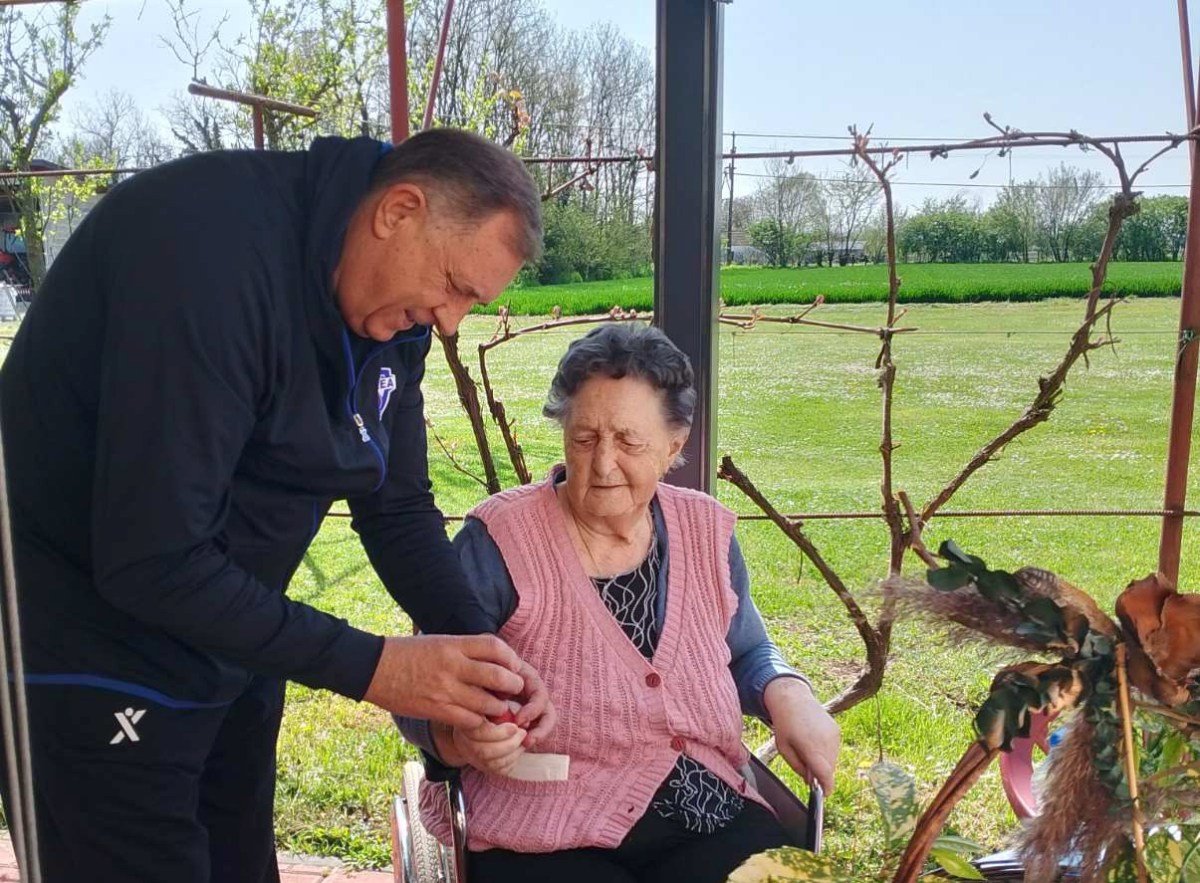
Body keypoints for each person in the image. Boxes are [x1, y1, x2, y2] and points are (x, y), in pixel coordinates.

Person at [0, 128, 555, 883]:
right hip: (86, 649)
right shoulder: (204, 256)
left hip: (230, 635)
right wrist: (378, 668)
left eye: (471, 302)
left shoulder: (391, 311)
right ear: (398, 210)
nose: (450, 320)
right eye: (454, 285)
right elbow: (153, 559)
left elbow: (395, 507)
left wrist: (487, 659)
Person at [402, 323, 841, 883]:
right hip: (542, 825)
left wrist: (791, 695)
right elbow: (420, 686)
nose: (604, 464)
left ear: (673, 446)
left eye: (629, 442)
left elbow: (747, 651)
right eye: (584, 439)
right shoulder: (498, 541)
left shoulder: (706, 531)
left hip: (706, 808)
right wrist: (458, 739)